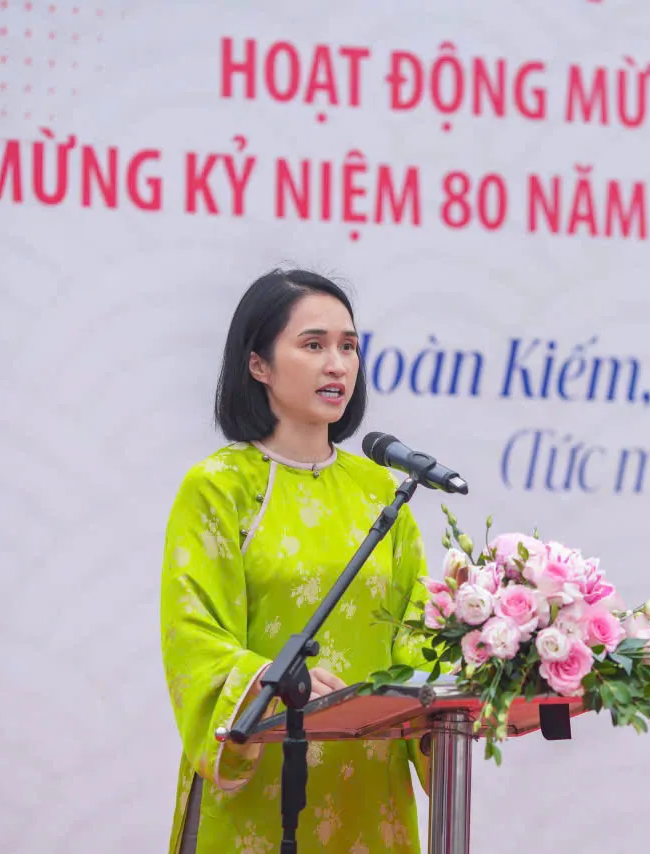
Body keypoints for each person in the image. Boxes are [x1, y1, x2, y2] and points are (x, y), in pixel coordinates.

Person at [159, 269, 433, 853]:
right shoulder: (220, 487)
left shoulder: (384, 493)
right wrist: (271, 680)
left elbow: (415, 637)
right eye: (314, 345)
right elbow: (194, 638)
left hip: (370, 792)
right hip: (260, 792)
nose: (337, 365)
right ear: (258, 363)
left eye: (348, 347)